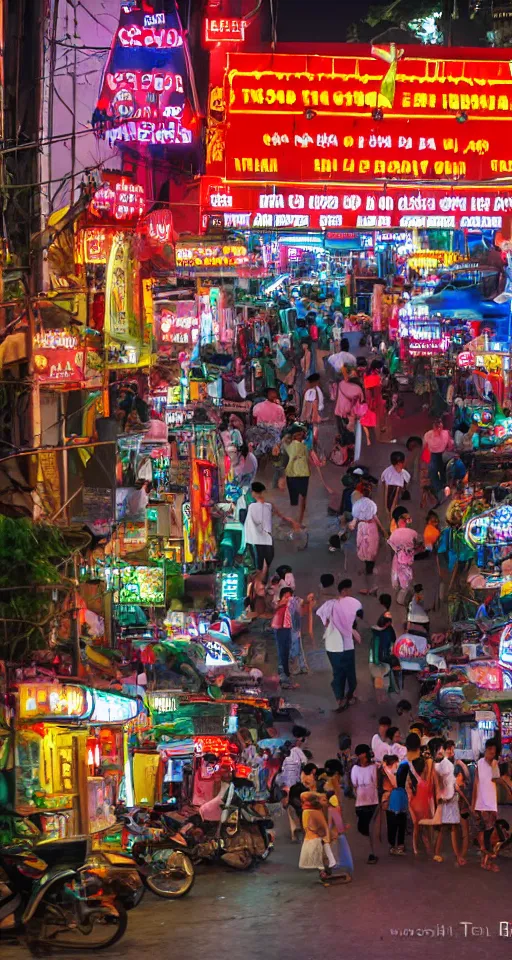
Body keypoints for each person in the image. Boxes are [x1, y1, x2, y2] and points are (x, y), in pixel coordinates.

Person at [316, 579, 363, 712]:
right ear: (344, 591)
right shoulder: (333, 604)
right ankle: (340, 698)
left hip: (341, 644)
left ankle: (345, 695)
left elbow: (321, 617)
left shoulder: (333, 604)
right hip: (336, 645)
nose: (351, 592)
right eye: (349, 590)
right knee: (341, 673)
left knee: (346, 673)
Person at [473, 737, 512, 872]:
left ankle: (485, 861)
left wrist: (507, 789)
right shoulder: (480, 763)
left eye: (493, 751)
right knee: (484, 835)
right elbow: (476, 785)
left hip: (490, 805)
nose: (490, 753)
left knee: (488, 835)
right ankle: (486, 862)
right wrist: (473, 804)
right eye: (489, 749)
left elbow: (496, 779)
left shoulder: (494, 763)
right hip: (481, 805)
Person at [244, 481, 297, 578]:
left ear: (254, 493)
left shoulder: (251, 507)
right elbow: (281, 517)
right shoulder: (269, 505)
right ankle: (262, 582)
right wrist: (292, 523)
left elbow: (249, 523)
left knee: (258, 566)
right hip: (267, 540)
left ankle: (260, 584)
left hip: (256, 541)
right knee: (265, 564)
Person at [428, 738, 463, 866]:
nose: (443, 750)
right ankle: (451, 855)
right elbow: (440, 783)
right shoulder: (439, 765)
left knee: (448, 827)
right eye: (440, 748)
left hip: (449, 798)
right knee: (447, 828)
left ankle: (450, 854)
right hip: (446, 799)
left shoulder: (440, 764)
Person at [350, 482, 386, 582]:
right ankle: (369, 568)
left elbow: (355, 518)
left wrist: (352, 525)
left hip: (362, 526)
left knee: (363, 546)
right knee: (372, 547)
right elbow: (375, 517)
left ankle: (367, 567)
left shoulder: (357, 504)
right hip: (371, 526)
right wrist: (382, 529)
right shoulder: (372, 504)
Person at [298, 792, 336, 883]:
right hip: (316, 837)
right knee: (320, 855)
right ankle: (326, 869)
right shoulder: (313, 810)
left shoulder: (309, 811)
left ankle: (325, 869)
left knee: (319, 856)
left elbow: (311, 825)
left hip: (315, 837)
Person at [351, 744, 379, 864]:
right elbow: (354, 785)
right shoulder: (355, 769)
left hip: (373, 801)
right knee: (362, 828)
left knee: (370, 828)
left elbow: (376, 783)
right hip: (360, 803)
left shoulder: (373, 767)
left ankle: (371, 853)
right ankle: (369, 850)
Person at [445, 740, 471, 865]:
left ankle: (462, 855)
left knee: (463, 830)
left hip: (461, 804)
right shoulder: (445, 765)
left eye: (452, 748)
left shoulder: (457, 764)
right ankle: (458, 855)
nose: (451, 751)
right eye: (449, 749)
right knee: (455, 830)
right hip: (453, 802)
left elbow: (467, 778)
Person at [406, 749, 434, 855]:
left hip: (421, 808)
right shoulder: (418, 781)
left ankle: (421, 848)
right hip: (418, 808)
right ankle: (416, 848)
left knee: (420, 830)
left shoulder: (419, 781)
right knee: (418, 830)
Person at [388, 516, 419, 603]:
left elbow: (391, 545)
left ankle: (401, 596)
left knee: (400, 577)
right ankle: (404, 598)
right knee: (407, 578)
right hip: (407, 559)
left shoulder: (394, 533)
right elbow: (417, 545)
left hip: (398, 558)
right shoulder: (413, 533)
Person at [284, 426, 311, 527]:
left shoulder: (288, 446)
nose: (302, 435)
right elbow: (308, 459)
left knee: (294, 500)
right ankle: (299, 521)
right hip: (302, 474)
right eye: (300, 434)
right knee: (302, 498)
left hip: (292, 474)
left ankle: (294, 521)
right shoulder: (301, 446)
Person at [423, 418, 454, 503]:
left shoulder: (446, 433)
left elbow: (450, 446)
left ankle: (444, 488)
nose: (439, 429)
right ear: (434, 427)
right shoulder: (428, 435)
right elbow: (425, 447)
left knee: (444, 471)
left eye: (440, 427)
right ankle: (439, 492)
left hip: (443, 455)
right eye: (437, 427)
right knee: (434, 473)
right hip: (434, 456)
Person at [386, 755, 409, 855]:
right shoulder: (389, 772)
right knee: (398, 823)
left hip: (398, 798)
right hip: (398, 798)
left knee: (396, 823)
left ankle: (396, 845)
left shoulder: (400, 769)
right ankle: (397, 846)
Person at [381, 451, 411, 515]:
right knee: (391, 503)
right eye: (403, 462)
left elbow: (407, 481)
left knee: (395, 500)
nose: (404, 463)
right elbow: (385, 485)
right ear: (398, 463)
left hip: (398, 488)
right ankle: (391, 512)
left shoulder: (404, 473)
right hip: (391, 488)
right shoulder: (388, 473)